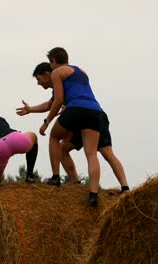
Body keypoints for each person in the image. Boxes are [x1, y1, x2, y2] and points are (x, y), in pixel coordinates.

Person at [17, 62, 130, 193]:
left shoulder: (62, 79)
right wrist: (30, 109)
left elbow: (57, 103)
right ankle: (76, 184)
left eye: (38, 79)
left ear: (47, 74)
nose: (38, 83)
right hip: (78, 118)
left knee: (106, 151)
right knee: (63, 149)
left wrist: (46, 122)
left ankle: (125, 187)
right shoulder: (58, 86)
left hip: (93, 116)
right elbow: (50, 104)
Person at [39, 47, 104, 207]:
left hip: (76, 108)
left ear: (53, 61)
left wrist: (46, 122)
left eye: (50, 62)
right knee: (91, 154)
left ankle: (55, 177)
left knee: (54, 137)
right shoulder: (81, 71)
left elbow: (58, 99)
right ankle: (93, 194)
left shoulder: (57, 72)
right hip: (95, 110)